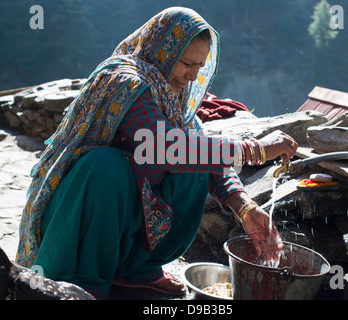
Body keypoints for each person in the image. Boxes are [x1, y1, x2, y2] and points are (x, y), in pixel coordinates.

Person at [15, 7, 298, 299]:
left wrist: (246, 208)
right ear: (163, 50)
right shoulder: (123, 81)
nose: (191, 76)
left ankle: (136, 271)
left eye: (199, 67)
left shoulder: (172, 94)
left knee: (196, 167)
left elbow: (200, 150)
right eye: (187, 63)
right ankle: (86, 281)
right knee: (106, 166)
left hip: (128, 210)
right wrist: (256, 149)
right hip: (82, 210)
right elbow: (164, 147)